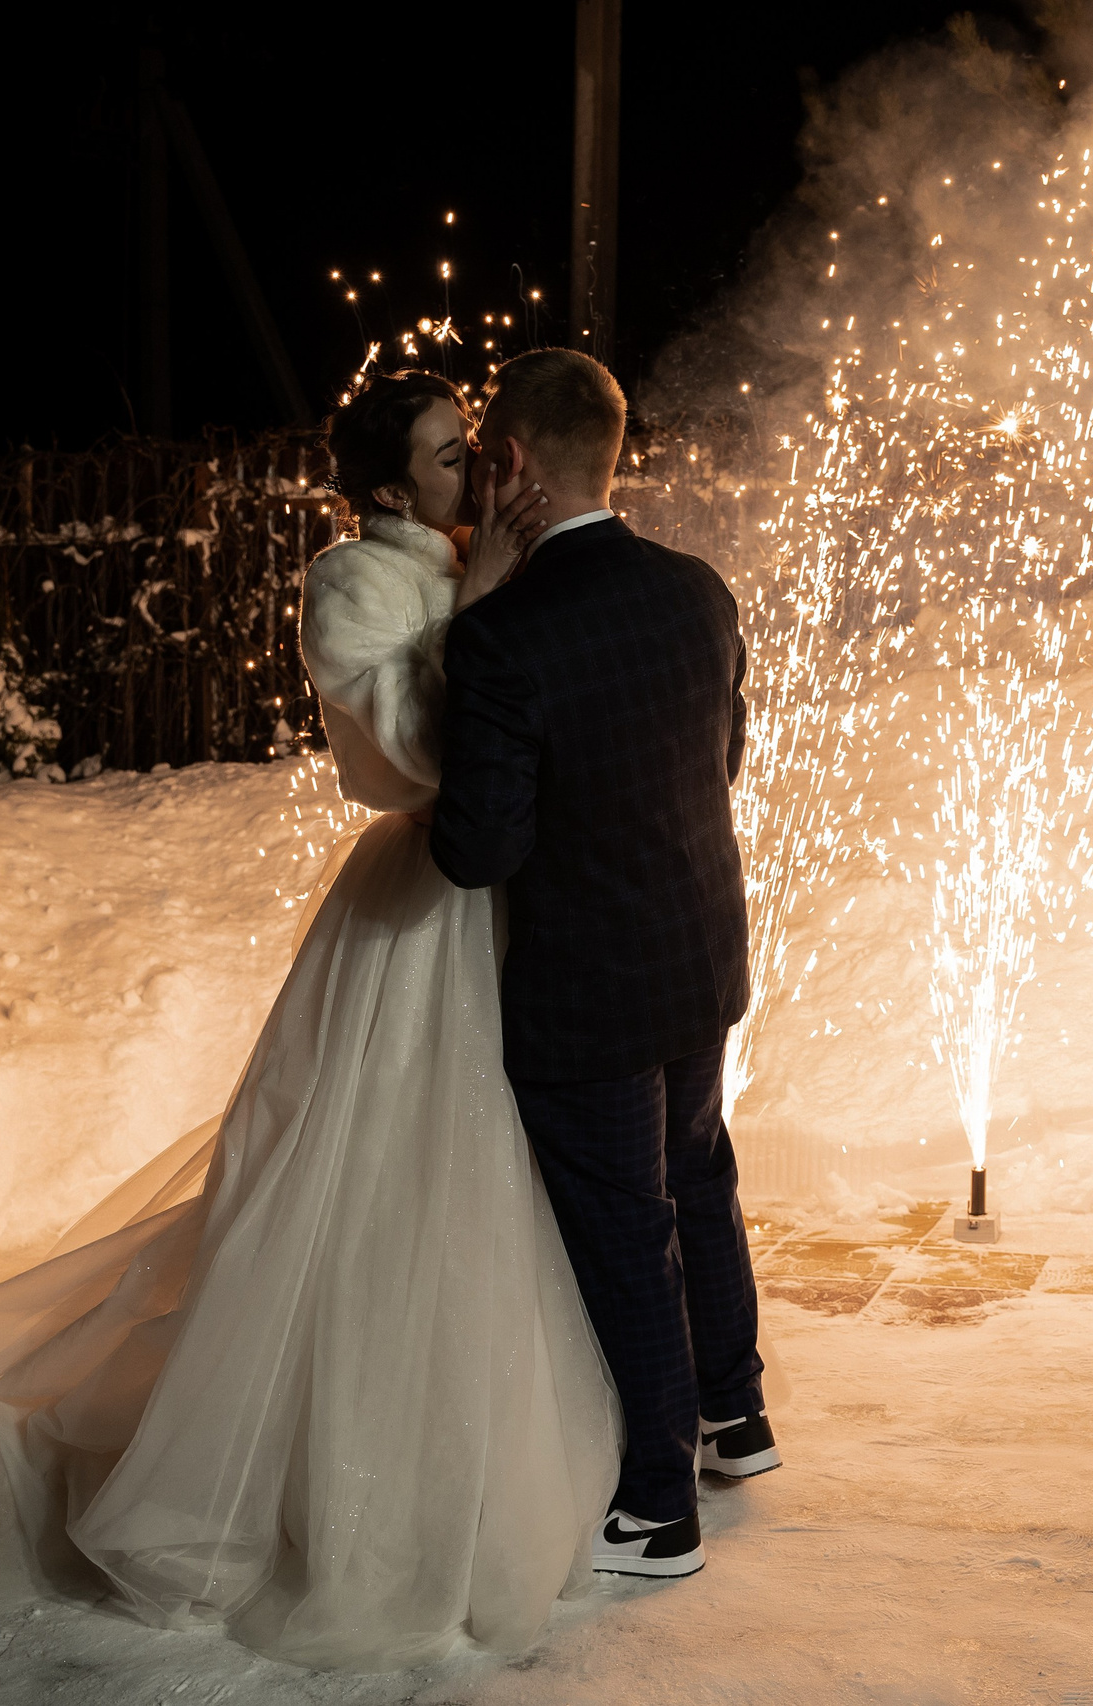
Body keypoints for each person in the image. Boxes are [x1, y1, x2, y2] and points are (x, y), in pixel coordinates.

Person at [0, 369, 624, 1672]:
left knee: (503, 1183)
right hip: (414, 919)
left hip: (509, 906)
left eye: (469, 449)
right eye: (443, 458)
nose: (473, 474)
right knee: (376, 1191)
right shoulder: (352, 585)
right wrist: (489, 602)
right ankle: (349, 1490)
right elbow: (413, 753)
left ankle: (496, 1449)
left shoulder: (499, 550)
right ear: (384, 487)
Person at [432, 348, 775, 1581]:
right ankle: (737, 1417)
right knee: (696, 1171)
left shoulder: (504, 636)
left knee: (627, 1223)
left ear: (509, 461)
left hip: (587, 978)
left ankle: (656, 1504)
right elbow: (721, 757)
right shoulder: (698, 589)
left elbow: (476, 851)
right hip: (697, 949)